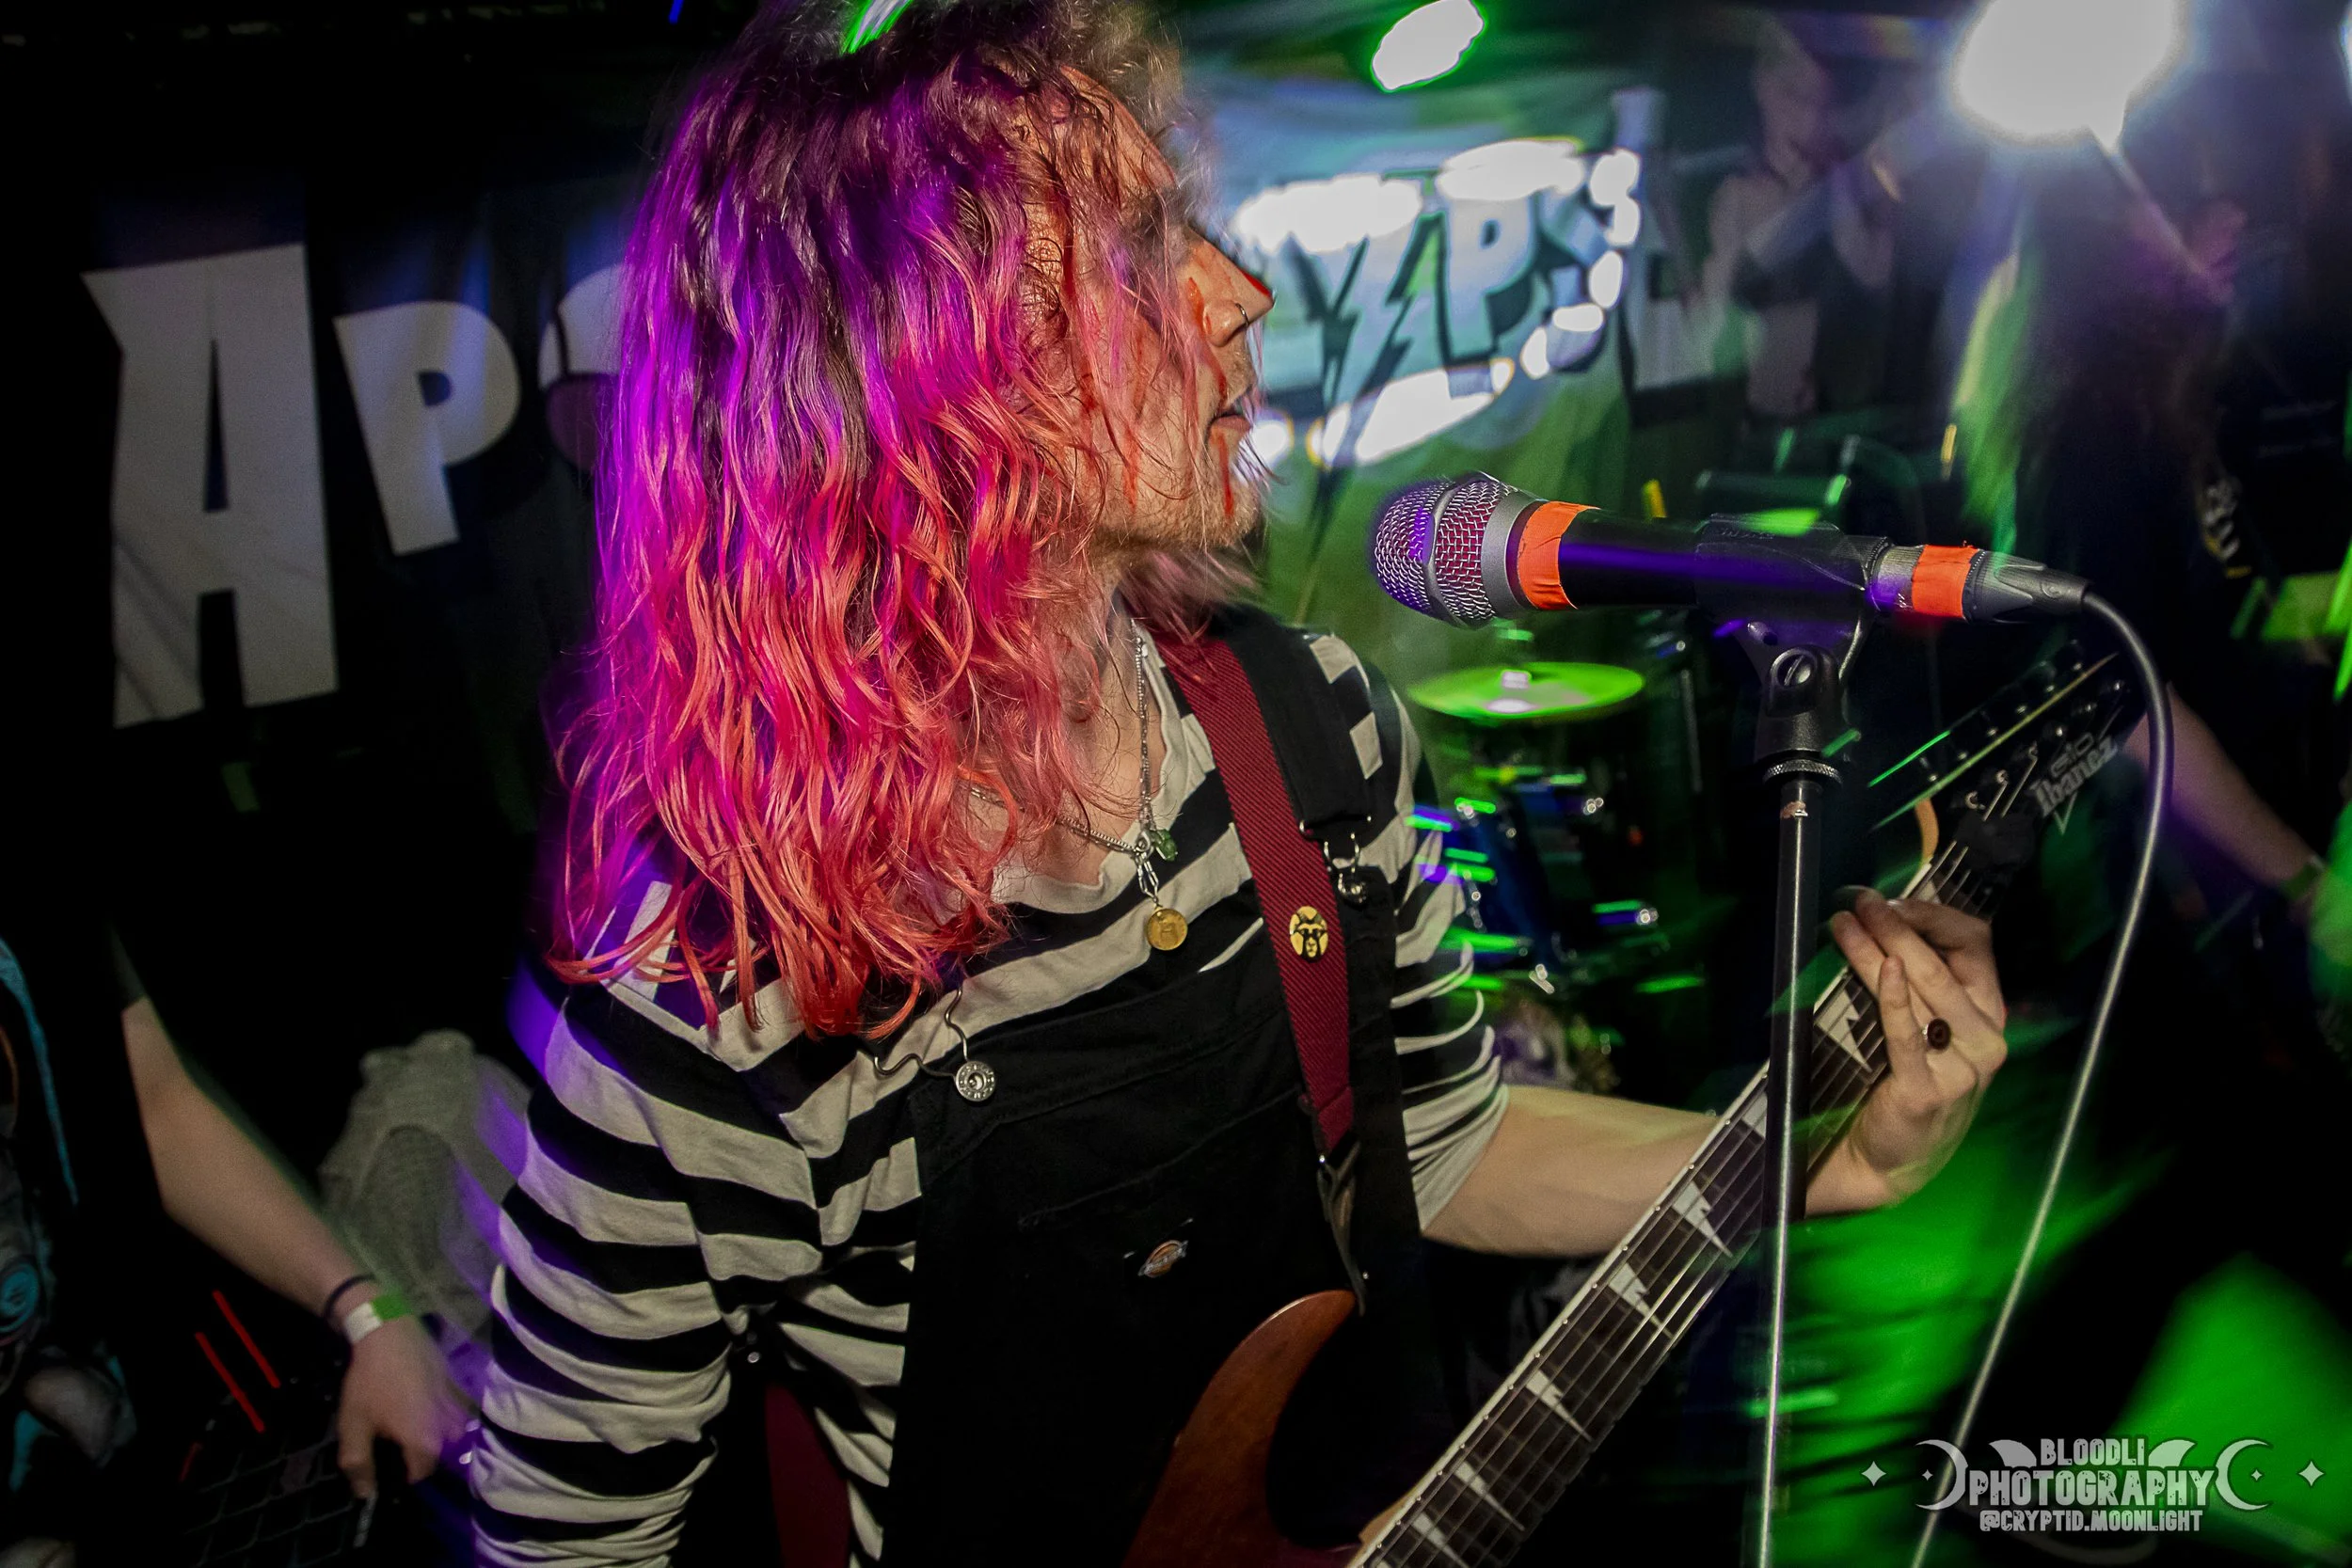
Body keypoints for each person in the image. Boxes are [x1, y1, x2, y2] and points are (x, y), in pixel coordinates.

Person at [469, 2, 2012, 1563]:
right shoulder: (719, 984)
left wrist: (1823, 1160)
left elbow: (1447, 1142)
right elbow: (556, 1540)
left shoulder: (1312, 730)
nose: (1239, 291)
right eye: (1147, 249)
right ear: (919, 364)